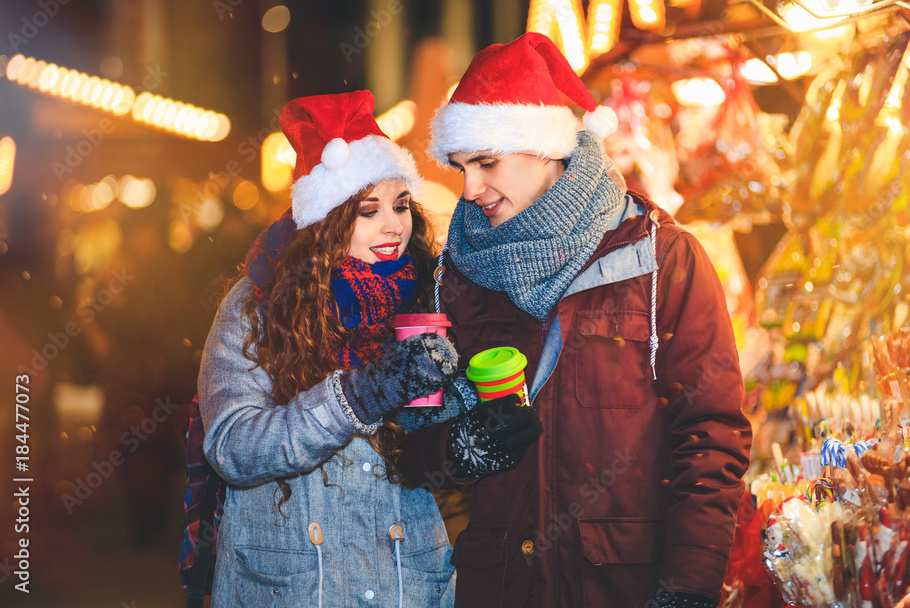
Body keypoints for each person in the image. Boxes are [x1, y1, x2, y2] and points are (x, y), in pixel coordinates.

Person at [399, 33, 752, 608]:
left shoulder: (661, 258)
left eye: (487, 163)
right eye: (461, 166)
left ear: (545, 148)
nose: (470, 189)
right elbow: (410, 443)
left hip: (623, 588)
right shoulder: (452, 277)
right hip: (500, 588)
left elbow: (712, 432)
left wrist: (688, 587)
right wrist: (454, 451)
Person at [199, 91, 461, 607]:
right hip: (296, 585)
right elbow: (232, 448)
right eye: (368, 210)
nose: (394, 225)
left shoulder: (429, 291)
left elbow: (434, 452)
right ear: (327, 219)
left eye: (401, 204)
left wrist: (467, 432)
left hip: (404, 584)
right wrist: (355, 399)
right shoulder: (258, 305)